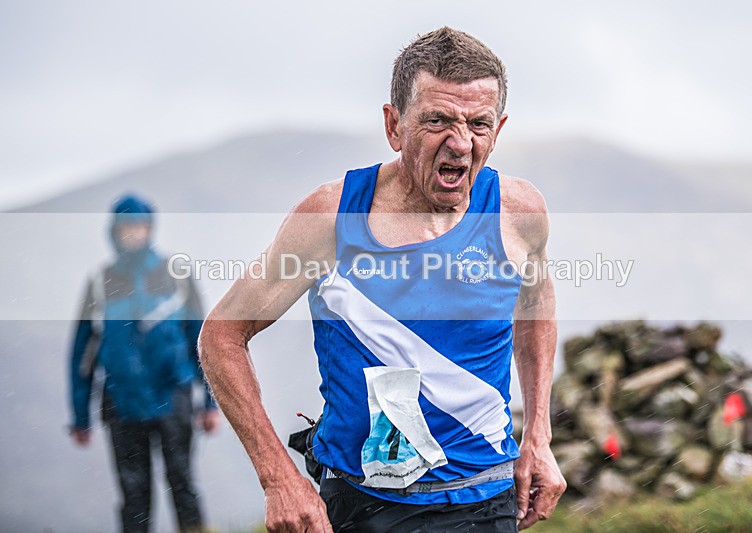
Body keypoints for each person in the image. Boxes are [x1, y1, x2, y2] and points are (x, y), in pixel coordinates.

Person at [199, 27, 566, 532]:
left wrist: (538, 439)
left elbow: (536, 308)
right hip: (360, 506)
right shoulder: (332, 217)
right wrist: (278, 478)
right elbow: (221, 335)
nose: (460, 144)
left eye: (479, 124)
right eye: (437, 120)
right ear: (394, 126)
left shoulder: (518, 212)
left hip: (485, 501)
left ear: (498, 130)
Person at [68, 193, 220, 533]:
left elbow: (203, 341)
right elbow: (81, 354)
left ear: (151, 228)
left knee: (183, 482)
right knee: (133, 493)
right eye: (127, 227)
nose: (135, 233)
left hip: (175, 396)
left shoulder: (176, 276)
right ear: (115, 231)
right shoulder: (100, 282)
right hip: (122, 402)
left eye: (141, 226)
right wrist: (80, 415)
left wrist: (211, 402)